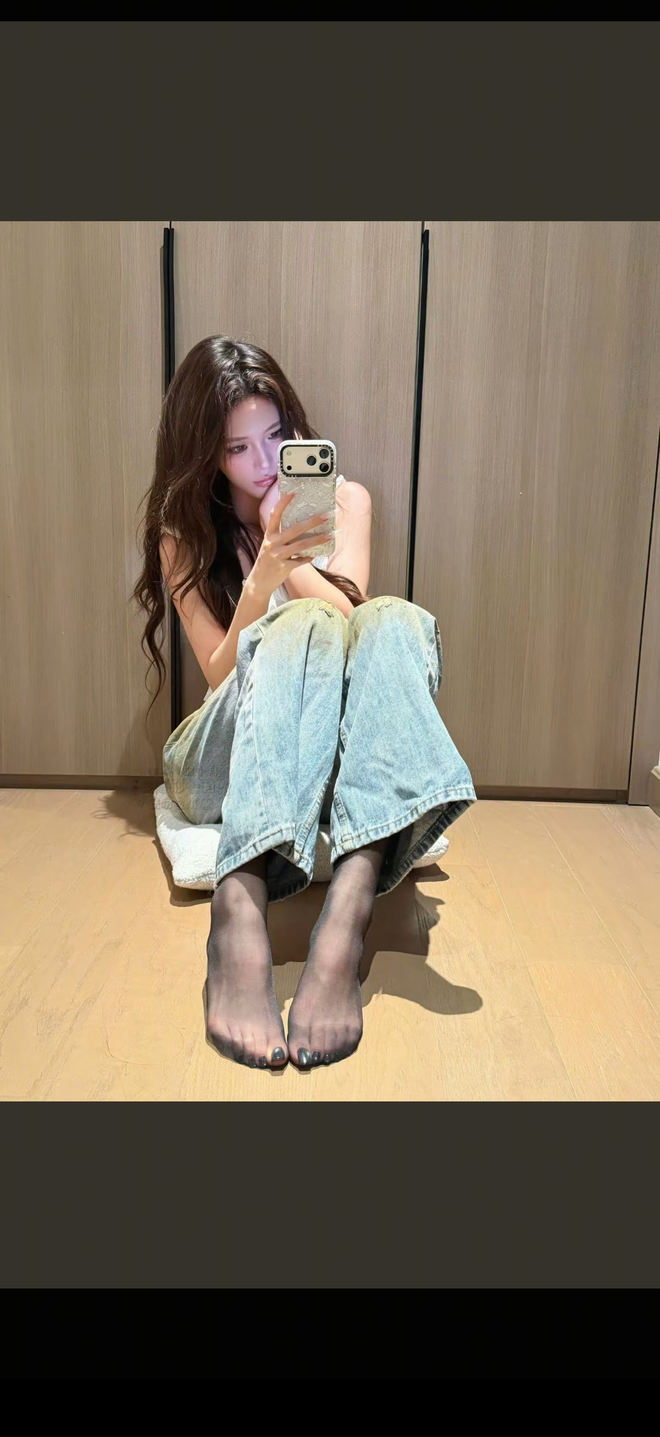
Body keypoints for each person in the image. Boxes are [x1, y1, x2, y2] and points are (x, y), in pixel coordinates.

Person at [132, 335, 476, 1072]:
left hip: (323, 749)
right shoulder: (183, 536)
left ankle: (350, 904)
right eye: (237, 448)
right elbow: (220, 675)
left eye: (276, 435)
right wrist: (262, 575)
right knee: (300, 624)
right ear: (207, 455)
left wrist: (288, 551)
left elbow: (353, 629)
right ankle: (239, 907)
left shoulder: (346, 502)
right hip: (219, 757)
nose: (263, 462)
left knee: (392, 620)